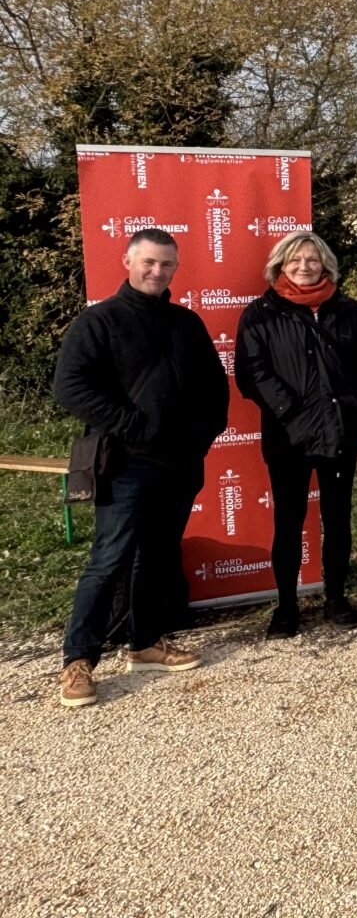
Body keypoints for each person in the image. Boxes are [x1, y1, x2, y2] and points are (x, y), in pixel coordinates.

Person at [52, 229, 229, 707]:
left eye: (167, 264)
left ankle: (145, 643)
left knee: (157, 556)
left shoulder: (186, 323)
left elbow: (215, 392)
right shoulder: (99, 322)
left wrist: (200, 438)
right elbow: (70, 386)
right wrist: (135, 424)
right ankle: (78, 660)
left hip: (179, 464)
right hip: (125, 464)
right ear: (128, 260)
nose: (157, 272)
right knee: (108, 560)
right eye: (149, 262)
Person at [236, 232, 357, 638]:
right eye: (296, 260)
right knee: (289, 521)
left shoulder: (350, 311)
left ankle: (336, 597)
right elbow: (252, 372)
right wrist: (292, 410)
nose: (305, 266)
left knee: (337, 521)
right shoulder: (261, 314)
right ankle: (286, 606)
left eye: (313, 260)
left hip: (340, 433)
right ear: (280, 265)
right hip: (288, 436)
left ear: (326, 265)